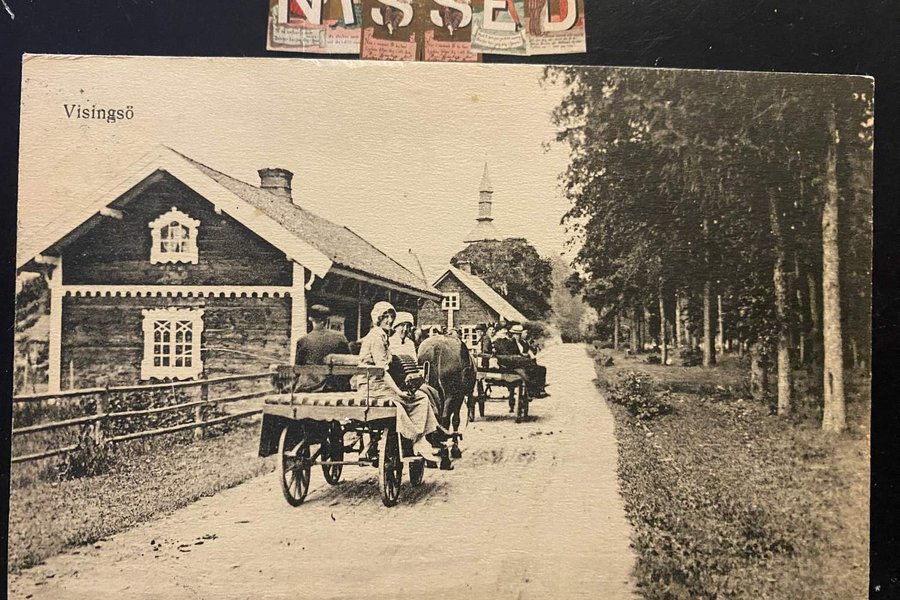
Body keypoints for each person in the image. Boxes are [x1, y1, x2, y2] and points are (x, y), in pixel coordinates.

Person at [357, 302, 440, 460]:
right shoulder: (377, 338)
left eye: (391, 317)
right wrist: (398, 392)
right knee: (420, 399)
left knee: (420, 396)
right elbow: (382, 371)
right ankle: (416, 439)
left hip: (375, 384)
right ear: (377, 318)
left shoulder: (380, 336)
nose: (389, 320)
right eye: (385, 317)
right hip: (374, 387)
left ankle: (419, 439)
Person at [293, 304, 351, 392]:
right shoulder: (340, 338)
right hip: (335, 387)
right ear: (327, 320)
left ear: (310, 319)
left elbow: (297, 369)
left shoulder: (302, 341)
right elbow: (349, 365)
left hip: (309, 388)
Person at [511, 324, 547, 397]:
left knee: (542, 369)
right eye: (516, 334)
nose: (517, 336)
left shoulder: (522, 342)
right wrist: (523, 355)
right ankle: (532, 391)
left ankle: (540, 389)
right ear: (512, 334)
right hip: (517, 363)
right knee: (533, 370)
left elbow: (527, 350)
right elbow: (512, 354)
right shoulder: (511, 343)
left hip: (524, 362)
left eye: (519, 334)